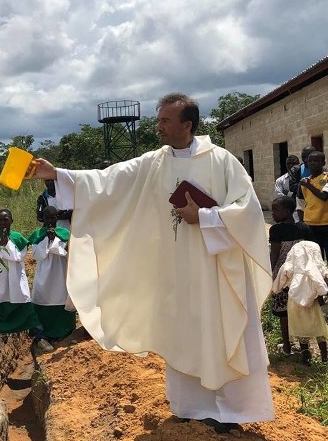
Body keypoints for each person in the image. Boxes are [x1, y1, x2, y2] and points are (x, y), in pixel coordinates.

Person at [32, 93, 274, 433]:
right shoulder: (155, 162)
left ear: (187, 125)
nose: (157, 126)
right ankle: (191, 406)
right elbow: (109, 180)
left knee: (217, 331)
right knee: (182, 332)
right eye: (158, 119)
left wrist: (204, 216)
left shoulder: (221, 161)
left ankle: (229, 413)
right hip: (175, 270)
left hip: (214, 269)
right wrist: (56, 173)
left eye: (165, 121)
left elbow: (247, 212)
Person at [273, 240, 328, 364]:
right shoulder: (317, 266)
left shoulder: (290, 264)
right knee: (318, 328)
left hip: (295, 302)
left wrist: (277, 288)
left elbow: (280, 280)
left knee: (300, 329)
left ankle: (305, 356)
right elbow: (324, 275)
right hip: (313, 302)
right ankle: (325, 357)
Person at [269, 196, 311, 354]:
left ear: (287, 212)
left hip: (283, 276)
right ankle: (305, 349)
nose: (272, 213)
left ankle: (287, 347)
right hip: (301, 276)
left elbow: (274, 254)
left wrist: (271, 274)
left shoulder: (276, 230)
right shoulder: (304, 228)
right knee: (300, 311)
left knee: (283, 312)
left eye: (276, 210)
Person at [29, 206, 75, 342]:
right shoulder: (38, 234)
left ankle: (65, 331)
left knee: (61, 297)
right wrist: (48, 241)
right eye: (47, 218)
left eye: (53, 218)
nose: (50, 221)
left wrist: (54, 240)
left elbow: (67, 251)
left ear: (56, 218)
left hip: (60, 271)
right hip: (44, 273)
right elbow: (36, 255)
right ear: (43, 218)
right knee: (43, 297)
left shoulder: (65, 233)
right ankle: (43, 332)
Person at [0, 209, 40, 334]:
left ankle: (29, 328)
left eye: (5, 219)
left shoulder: (18, 238)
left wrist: (5, 244)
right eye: (0, 220)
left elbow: (19, 257)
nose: (3, 223)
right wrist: (1, 244)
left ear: (11, 221)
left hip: (15, 275)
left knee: (19, 295)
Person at [297, 151, 328, 259]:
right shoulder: (304, 181)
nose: (312, 163)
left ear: (323, 163)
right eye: (310, 161)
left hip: (325, 223)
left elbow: (324, 196)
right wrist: (302, 221)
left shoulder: (325, 178)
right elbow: (300, 203)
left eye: (316, 161)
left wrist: (308, 185)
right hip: (311, 223)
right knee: (315, 256)